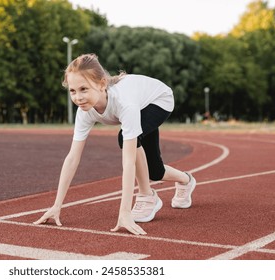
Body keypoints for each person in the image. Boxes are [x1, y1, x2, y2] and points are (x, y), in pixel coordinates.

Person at [34, 53, 196, 235]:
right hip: (139, 101)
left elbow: (128, 162)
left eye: (84, 89)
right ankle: (186, 180)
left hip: (159, 100)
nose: (78, 97)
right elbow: (72, 158)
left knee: (124, 139)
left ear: (102, 84)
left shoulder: (124, 103)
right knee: (155, 171)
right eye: (73, 91)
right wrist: (57, 206)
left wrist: (124, 212)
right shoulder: (85, 111)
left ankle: (147, 196)